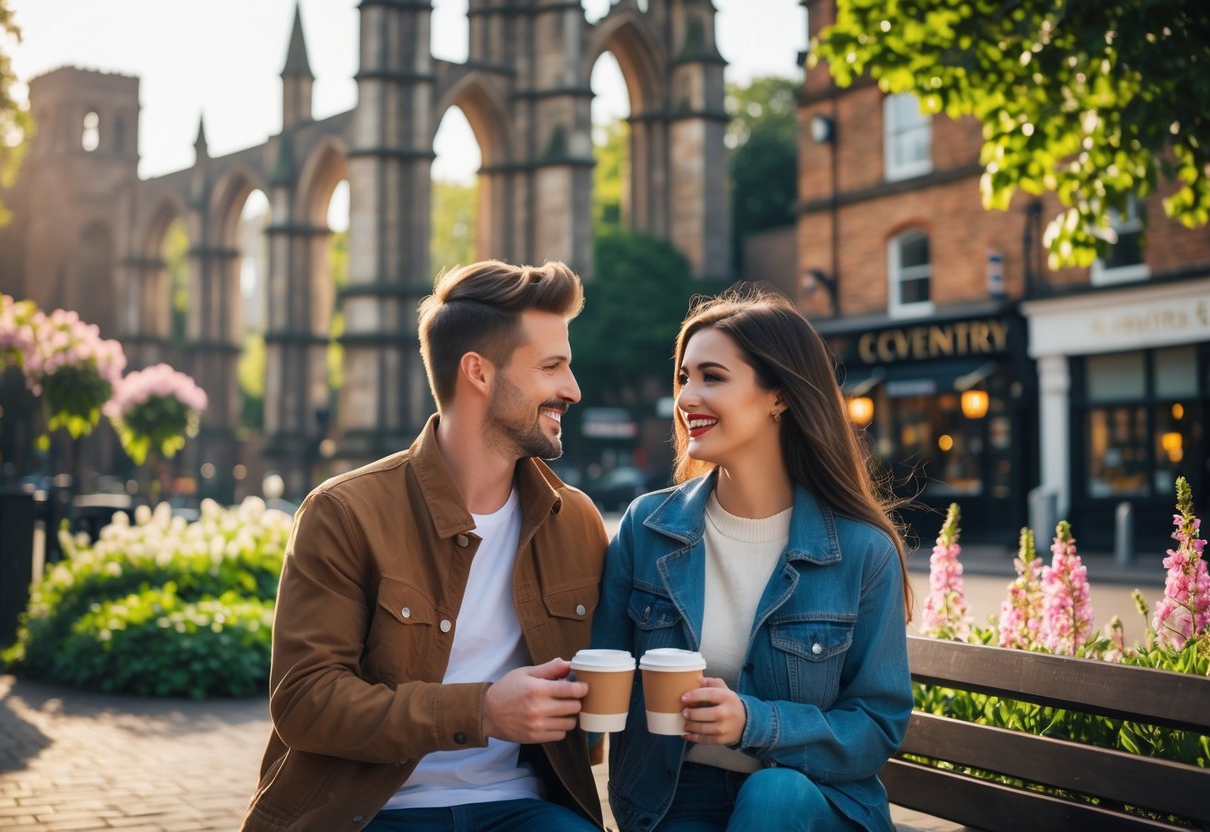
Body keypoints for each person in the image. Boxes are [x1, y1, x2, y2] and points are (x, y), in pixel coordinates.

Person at [241, 260, 609, 832]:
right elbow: (305, 701)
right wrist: (481, 711)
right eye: (552, 367)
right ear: (478, 373)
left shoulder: (576, 520)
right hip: (371, 812)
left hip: (523, 808)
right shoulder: (344, 513)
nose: (573, 388)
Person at [593, 289, 914, 832]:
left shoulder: (862, 552)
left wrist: (753, 721)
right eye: (684, 377)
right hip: (672, 800)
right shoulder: (646, 530)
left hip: (819, 801)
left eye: (712, 377)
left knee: (774, 794)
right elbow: (604, 674)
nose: (688, 396)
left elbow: (876, 725)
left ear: (779, 396)